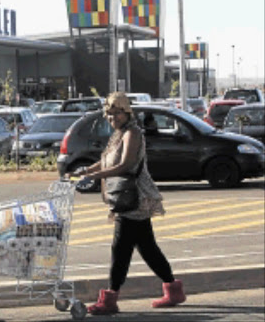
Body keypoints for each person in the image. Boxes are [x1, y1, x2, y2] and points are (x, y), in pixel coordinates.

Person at [68, 92, 186, 315]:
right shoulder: (118, 134)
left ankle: (110, 299)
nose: (112, 118)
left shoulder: (133, 133)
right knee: (147, 248)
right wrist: (85, 171)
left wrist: (95, 177)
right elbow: (106, 160)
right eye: (109, 114)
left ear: (127, 112)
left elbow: (126, 165)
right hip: (125, 197)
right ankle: (173, 290)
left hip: (135, 198)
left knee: (120, 249)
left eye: (116, 113)